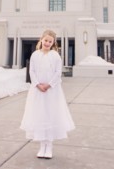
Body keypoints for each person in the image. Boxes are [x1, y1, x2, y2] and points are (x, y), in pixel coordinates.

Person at [20, 29, 75, 159]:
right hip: (37, 91)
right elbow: (32, 71)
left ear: (53, 43)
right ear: (41, 40)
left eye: (50, 41)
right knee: (40, 116)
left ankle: (48, 147)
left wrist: (49, 85)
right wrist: (38, 84)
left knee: (50, 116)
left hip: (52, 91)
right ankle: (41, 147)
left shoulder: (55, 55)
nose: (47, 43)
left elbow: (57, 72)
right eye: (46, 40)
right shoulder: (35, 55)